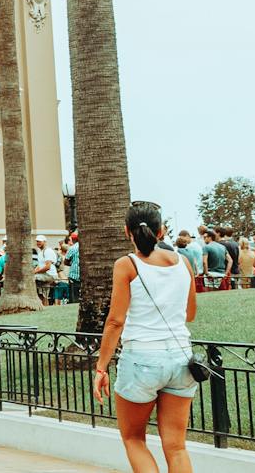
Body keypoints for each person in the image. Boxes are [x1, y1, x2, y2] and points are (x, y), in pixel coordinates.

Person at [92, 201, 199, 473]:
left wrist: (101, 367)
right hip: (181, 357)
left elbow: (115, 321)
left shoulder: (127, 265)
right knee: (176, 446)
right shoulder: (183, 262)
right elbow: (189, 314)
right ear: (161, 231)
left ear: (127, 231)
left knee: (133, 439)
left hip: (142, 358)